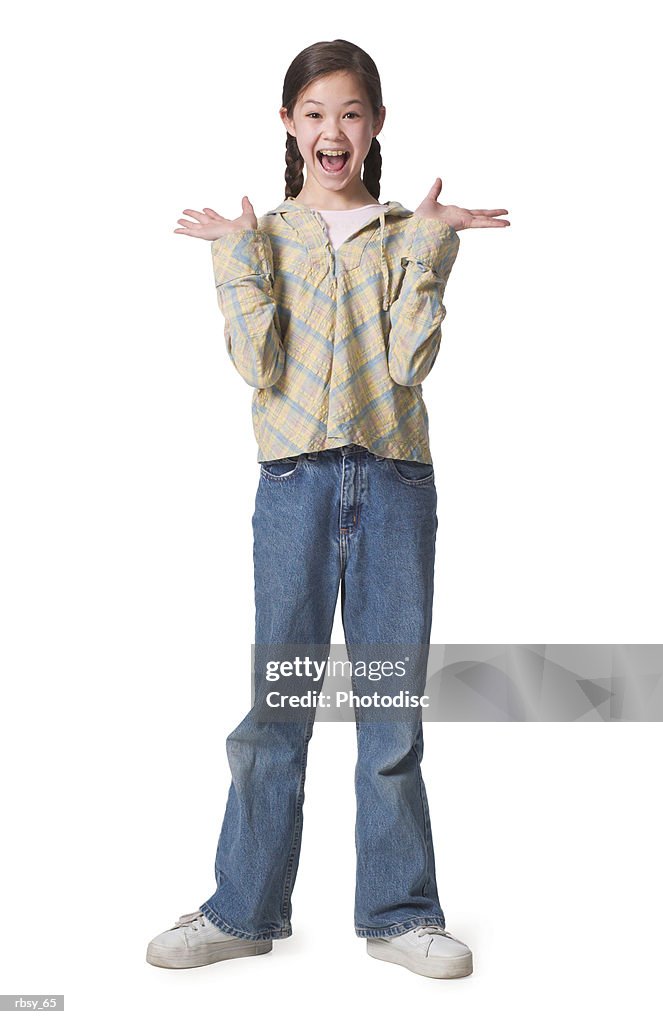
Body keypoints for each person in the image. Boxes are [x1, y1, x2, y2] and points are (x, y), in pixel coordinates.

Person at [147, 38, 509, 980]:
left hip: (392, 482)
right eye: (313, 113)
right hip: (294, 487)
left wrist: (428, 251)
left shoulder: (401, 231)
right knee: (280, 706)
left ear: (376, 124)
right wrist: (233, 259)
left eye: (349, 112)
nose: (331, 131)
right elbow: (259, 367)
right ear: (287, 125)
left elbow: (406, 366)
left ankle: (398, 914)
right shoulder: (261, 238)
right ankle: (244, 908)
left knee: (388, 709)